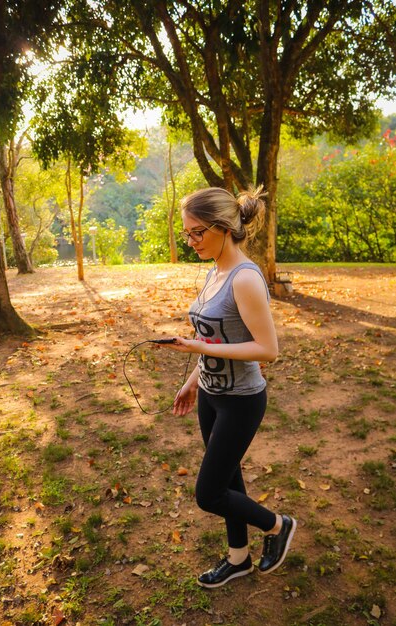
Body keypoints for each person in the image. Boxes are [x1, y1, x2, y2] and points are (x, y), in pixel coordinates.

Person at [159, 186, 296, 589]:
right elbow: (214, 337)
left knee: (209, 493)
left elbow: (267, 349)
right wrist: (192, 381)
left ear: (223, 227)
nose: (190, 241)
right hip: (210, 396)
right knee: (229, 481)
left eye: (197, 232)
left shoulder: (245, 278)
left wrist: (197, 347)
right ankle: (238, 559)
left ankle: (278, 525)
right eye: (187, 233)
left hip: (241, 402)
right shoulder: (214, 269)